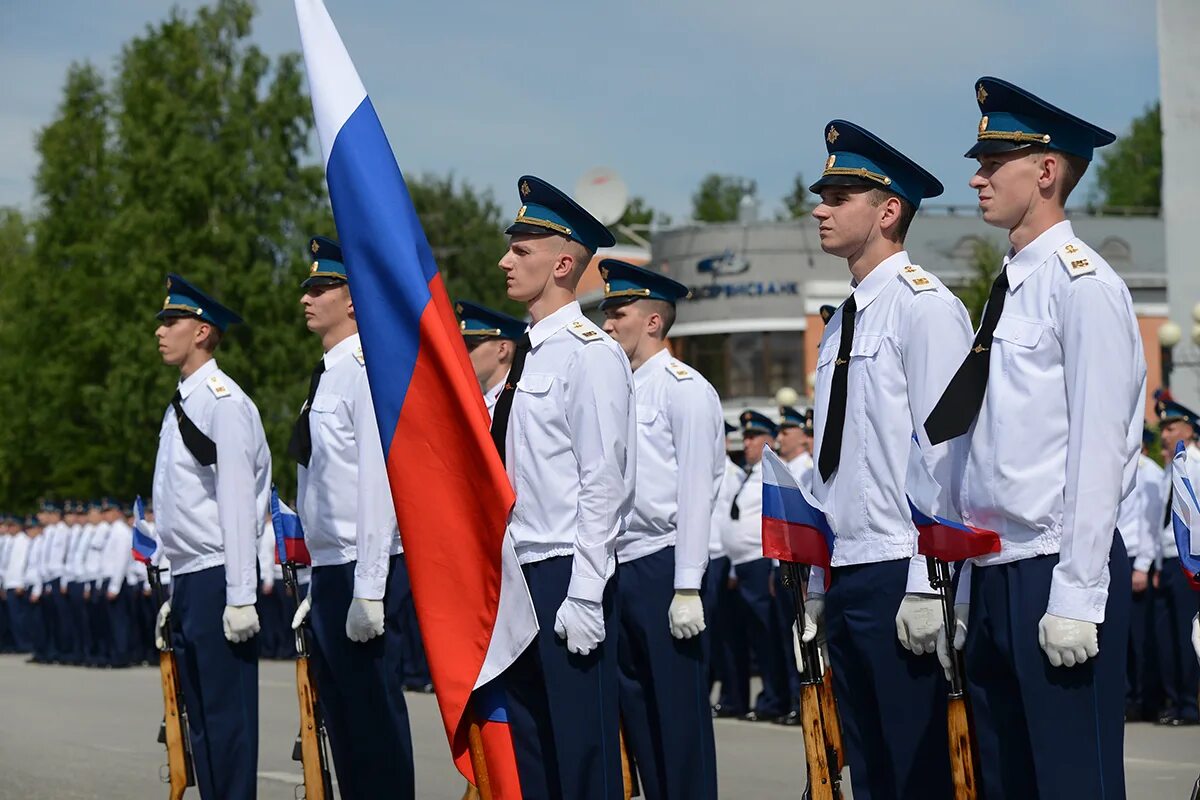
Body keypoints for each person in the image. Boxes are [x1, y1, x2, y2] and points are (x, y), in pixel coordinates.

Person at [926, 77, 1145, 798]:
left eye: (993, 162)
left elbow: (1099, 448)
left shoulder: (1083, 285)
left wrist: (1080, 592)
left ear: (1045, 171)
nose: (976, 177)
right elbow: (972, 445)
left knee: (1071, 780)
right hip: (994, 568)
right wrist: (955, 581)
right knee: (1005, 779)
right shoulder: (1010, 286)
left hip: (1054, 564)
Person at [800, 119, 969, 800]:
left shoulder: (924, 309)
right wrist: (816, 587)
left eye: (840, 195)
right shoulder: (841, 321)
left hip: (904, 568)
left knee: (916, 772)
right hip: (848, 569)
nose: (821, 207)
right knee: (867, 771)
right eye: (823, 194)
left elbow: (948, 451)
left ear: (888, 209)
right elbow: (827, 463)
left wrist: (930, 585)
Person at [495, 175, 635, 798]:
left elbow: (603, 480)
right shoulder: (526, 356)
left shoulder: (589, 353)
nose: (505, 260)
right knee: (533, 750)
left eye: (521, 250)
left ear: (562, 262)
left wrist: (584, 590)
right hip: (519, 572)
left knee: (583, 754)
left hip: (565, 571)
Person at [286, 235, 416, 798]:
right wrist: (319, 577)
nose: (306, 298)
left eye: (321, 287)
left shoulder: (365, 370)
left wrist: (368, 587)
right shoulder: (326, 377)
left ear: (354, 298)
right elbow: (316, 483)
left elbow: (379, 479)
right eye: (307, 288)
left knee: (374, 721)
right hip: (334, 567)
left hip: (369, 566)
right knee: (343, 724)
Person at [599, 259, 724, 799]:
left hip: (665, 561)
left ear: (652, 321)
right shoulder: (619, 388)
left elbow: (698, 488)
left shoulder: (684, 388)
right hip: (620, 562)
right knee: (638, 714)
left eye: (619, 313)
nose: (607, 324)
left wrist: (688, 583)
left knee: (678, 720)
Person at [150, 273, 271, 799]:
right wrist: (170, 581)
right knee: (198, 724)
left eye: (171, 322)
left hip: (220, 575)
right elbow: (175, 501)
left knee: (228, 725)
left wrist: (241, 595)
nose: (160, 332)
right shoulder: (182, 401)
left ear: (201, 332)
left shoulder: (222, 402)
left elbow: (240, 504)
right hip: (191, 579)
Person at [715, 411, 790, 722]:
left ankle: (777, 698)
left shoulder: (772, 472)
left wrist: (776, 564)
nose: (746, 443)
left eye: (753, 437)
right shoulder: (749, 474)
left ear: (769, 440)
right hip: (742, 564)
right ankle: (765, 699)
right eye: (745, 438)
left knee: (769, 637)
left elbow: (778, 520)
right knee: (752, 638)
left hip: (761, 562)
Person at [1153, 397, 1200, 726]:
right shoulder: (1172, 467)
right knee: (1169, 637)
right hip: (1168, 561)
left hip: (1191, 561)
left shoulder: (1196, 465)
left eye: (1171, 427)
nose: (1166, 435)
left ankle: (1191, 704)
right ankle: (1179, 701)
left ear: (1190, 428)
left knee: (1190, 637)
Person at [1116, 427, 1167, 721]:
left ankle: (1142, 698)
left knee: (1139, 637)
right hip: (1123, 554)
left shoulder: (1148, 472)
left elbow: (1151, 526)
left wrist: (1143, 565)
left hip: (1136, 556)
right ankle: (1129, 698)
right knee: (1124, 634)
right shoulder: (1123, 467)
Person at [772, 405, 814, 727]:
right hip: (787, 565)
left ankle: (806, 701)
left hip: (805, 568)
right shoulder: (788, 469)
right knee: (790, 640)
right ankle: (795, 699)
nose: (780, 437)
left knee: (807, 640)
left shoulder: (806, 469)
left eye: (787, 431)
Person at [456, 300, 527, 415]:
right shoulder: (476, 401)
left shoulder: (519, 403)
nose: (463, 353)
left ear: (502, 350)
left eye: (471, 346)